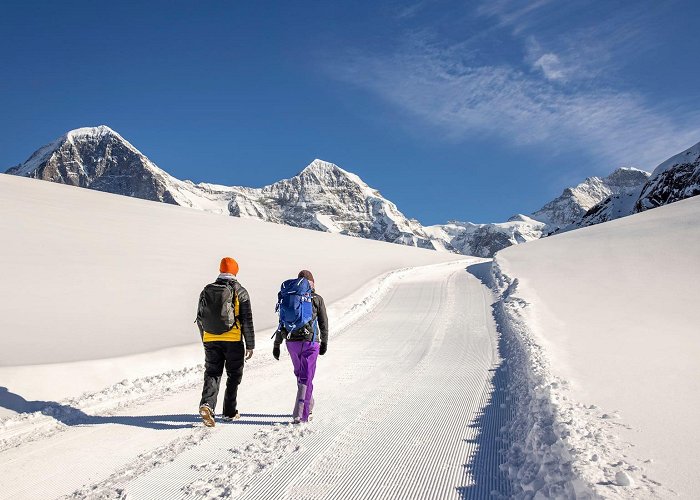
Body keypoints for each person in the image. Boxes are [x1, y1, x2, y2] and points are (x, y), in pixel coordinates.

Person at [196, 257, 255, 427]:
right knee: (234, 375)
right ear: (236, 271)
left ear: (220, 270)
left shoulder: (206, 290)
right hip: (233, 340)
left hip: (210, 338)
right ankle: (229, 412)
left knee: (212, 373)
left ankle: (207, 404)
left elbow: (200, 318)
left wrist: (206, 339)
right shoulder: (240, 291)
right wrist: (250, 345)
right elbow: (247, 320)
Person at [273, 270, 328, 423]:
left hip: (292, 343)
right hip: (310, 343)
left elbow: (281, 323)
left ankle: (307, 406)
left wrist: (277, 344)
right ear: (312, 282)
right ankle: (301, 414)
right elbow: (323, 323)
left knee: (300, 375)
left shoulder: (289, 297)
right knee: (306, 377)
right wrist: (324, 342)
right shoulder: (316, 299)